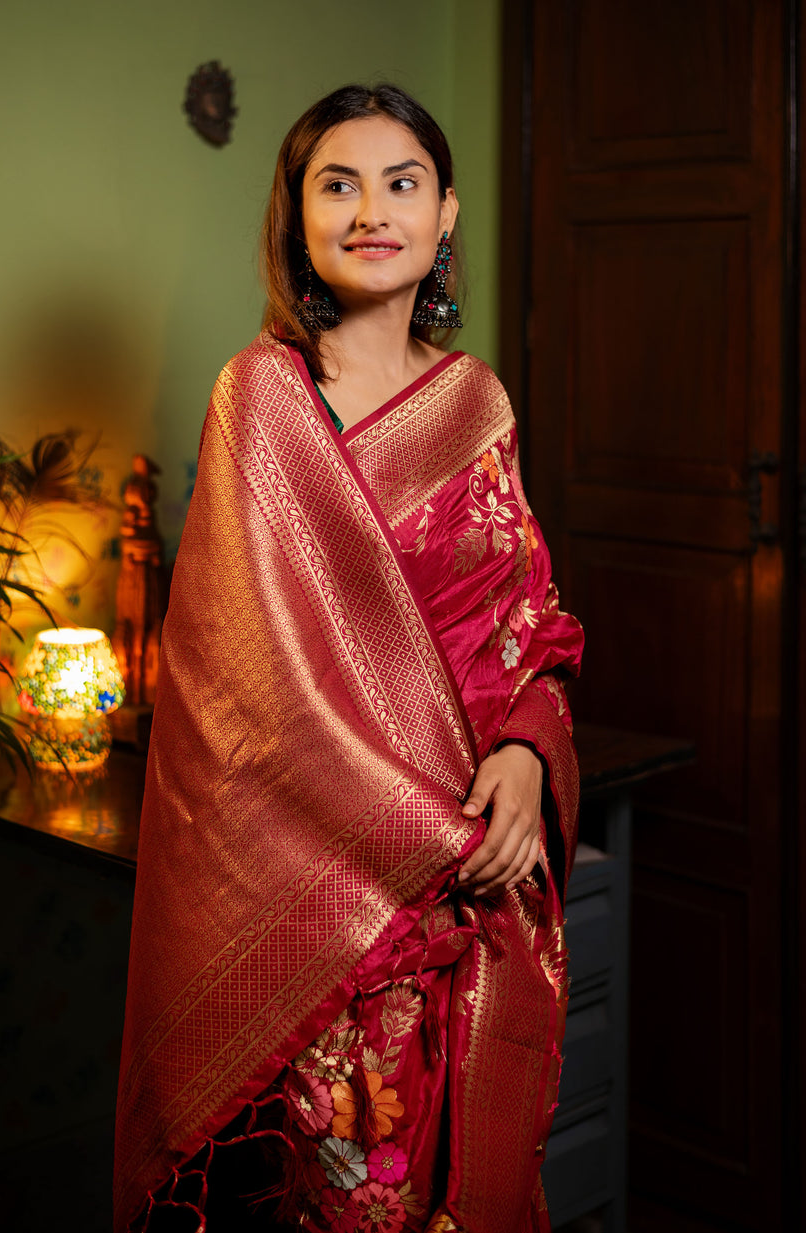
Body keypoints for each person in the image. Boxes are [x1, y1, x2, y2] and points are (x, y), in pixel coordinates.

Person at [114, 84, 584, 1233]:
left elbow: (537, 624)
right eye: (339, 183)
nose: (371, 210)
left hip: (485, 891)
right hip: (334, 913)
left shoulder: (475, 403)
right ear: (298, 218)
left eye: (400, 182)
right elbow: (244, 700)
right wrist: (430, 838)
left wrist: (526, 752)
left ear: (444, 215)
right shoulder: (263, 403)